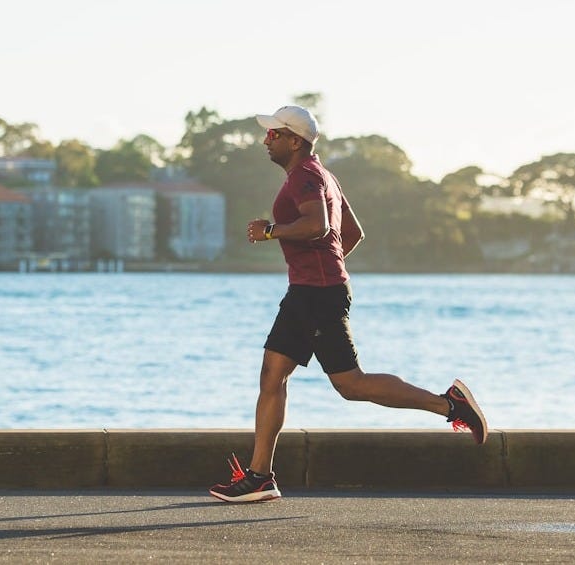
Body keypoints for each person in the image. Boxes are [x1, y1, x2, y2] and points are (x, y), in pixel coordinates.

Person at [208, 106, 487, 503]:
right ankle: (260, 477)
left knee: (350, 384)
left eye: (274, 134)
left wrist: (272, 231)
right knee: (273, 376)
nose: (266, 140)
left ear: (295, 140)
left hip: (315, 295)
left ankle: (449, 404)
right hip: (312, 291)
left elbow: (320, 226)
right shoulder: (323, 175)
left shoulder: (306, 176)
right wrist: (326, 267)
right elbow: (351, 232)